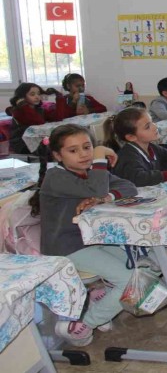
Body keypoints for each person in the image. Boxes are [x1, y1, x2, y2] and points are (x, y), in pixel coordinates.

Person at [32, 124, 138, 346]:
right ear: (57, 155)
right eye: (73, 150)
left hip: (92, 240)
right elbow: (96, 188)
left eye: (87, 147)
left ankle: (102, 300)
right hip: (66, 247)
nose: (83, 154)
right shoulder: (56, 176)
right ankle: (86, 325)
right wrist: (99, 156)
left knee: (139, 263)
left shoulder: (91, 173)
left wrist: (105, 198)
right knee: (128, 280)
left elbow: (129, 187)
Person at [105, 107, 167, 186]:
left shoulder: (152, 147)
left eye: (152, 122)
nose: (155, 126)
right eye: (147, 126)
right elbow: (138, 178)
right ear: (131, 137)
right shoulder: (128, 156)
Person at [5, 83, 61, 154]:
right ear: (22, 97)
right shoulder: (18, 112)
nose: (37, 97)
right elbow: (38, 122)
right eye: (32, 94)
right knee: (54, 150)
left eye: (38, 94)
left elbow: (58, 117)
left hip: (37, 140)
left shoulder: (39, 109)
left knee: (60, 144)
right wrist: (23, 104)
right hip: (22, 144)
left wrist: (59, 97)